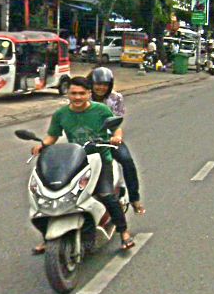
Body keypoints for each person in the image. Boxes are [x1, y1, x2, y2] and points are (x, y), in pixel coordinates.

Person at [30, 76, 134, 253]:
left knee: (106, 195)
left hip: (101, 159)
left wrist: (117, 137)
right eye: (73, 93)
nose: (77, 97)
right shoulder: (61, 114)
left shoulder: (100, 110)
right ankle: (48, 237)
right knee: (51, 196)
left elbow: (116, 127)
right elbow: (52, 136)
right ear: (67, 94)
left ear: (89, 94)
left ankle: (124, 232)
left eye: (81, 93)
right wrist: (42, 145)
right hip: (77, 160)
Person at [89, 66, 145, 215]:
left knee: (127, 160)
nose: (101, 88)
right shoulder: (83, 97)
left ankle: (134, 198)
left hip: (108, 139)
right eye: (98, 84)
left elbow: (117, 123)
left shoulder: (116, 98)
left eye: (105, 85)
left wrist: (117, 137)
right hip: (85, 139)